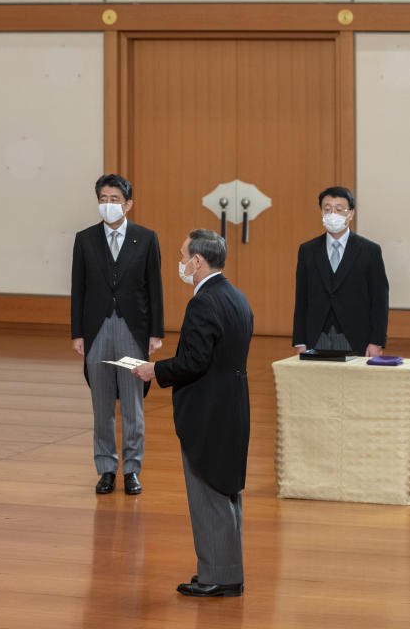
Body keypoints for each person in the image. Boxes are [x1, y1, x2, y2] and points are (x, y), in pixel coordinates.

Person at [132, 229, 252, 597]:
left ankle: (220, 577)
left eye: (183, 256)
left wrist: (156, 370)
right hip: (233, 404)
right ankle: (224, 569)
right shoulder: (236, 296)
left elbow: (194, 361)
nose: (181, 263)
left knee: (208, 493)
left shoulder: (203, 302)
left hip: (208, 410)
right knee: (226, 491)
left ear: (198, 261)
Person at [71, 174, 164, 496]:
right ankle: (106, 468)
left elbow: (155, 288)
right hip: (96, 329)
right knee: (102, 404)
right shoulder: (85, 239)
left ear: (128, 204)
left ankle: (132, 469)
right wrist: (77, 333)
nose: (108, 205)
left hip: (132, 329)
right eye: (103, 199)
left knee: (132, 405)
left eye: (114, 199)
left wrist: (155, 331)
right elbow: (78, 289)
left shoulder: (146, 238)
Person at [292, 186, 389, 356]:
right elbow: (301, 299)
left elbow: (380, 300)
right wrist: (300, 341)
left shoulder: (369, 250)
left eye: (339, 209)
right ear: (321, 212)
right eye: (327, 209)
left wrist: (377, 341)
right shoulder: (308, 250)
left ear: (350, 214)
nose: (332, 214)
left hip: (357, 337)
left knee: (355, 382)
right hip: (317, 336)